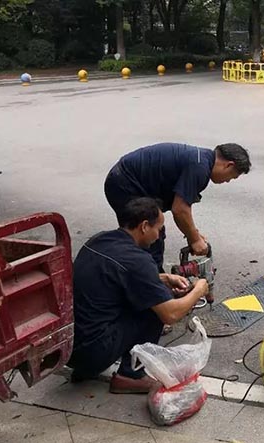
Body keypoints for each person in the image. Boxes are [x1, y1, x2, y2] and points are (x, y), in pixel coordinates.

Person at [68, 197, 210, 394]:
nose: (159, 235)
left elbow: (116, 278)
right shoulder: (138, 260)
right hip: (93, 350)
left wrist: (164, 278)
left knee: (150, 292)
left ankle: (86, 369)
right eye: (158, 229)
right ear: (144, 226)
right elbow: (170, 315)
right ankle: (129, 375)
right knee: (154, 306)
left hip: (69, 346)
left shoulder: (99, 240)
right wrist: (199, 290)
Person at [104, 142, 251, 271]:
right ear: (228, 165)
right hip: (124, 184)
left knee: (151, 232)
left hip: (127, 180)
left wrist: (193, 233)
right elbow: (180, 210)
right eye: (232, 176)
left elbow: (182, 206)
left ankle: (147, 279)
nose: (228, 181)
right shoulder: (200, 167)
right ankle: (149, 285)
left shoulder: (202, 159)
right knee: (149, 234)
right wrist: (195, 240)